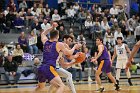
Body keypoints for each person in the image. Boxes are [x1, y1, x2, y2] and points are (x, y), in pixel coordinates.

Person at [35, 22, 81, 93]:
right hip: (49, 68)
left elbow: (43, 34)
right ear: (58, 36)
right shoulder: (59, 44)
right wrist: (75, 47)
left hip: (41, 68)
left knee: (40, 87)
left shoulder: (45, 42)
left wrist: (51, 27)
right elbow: (69, 53)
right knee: (61, 86)